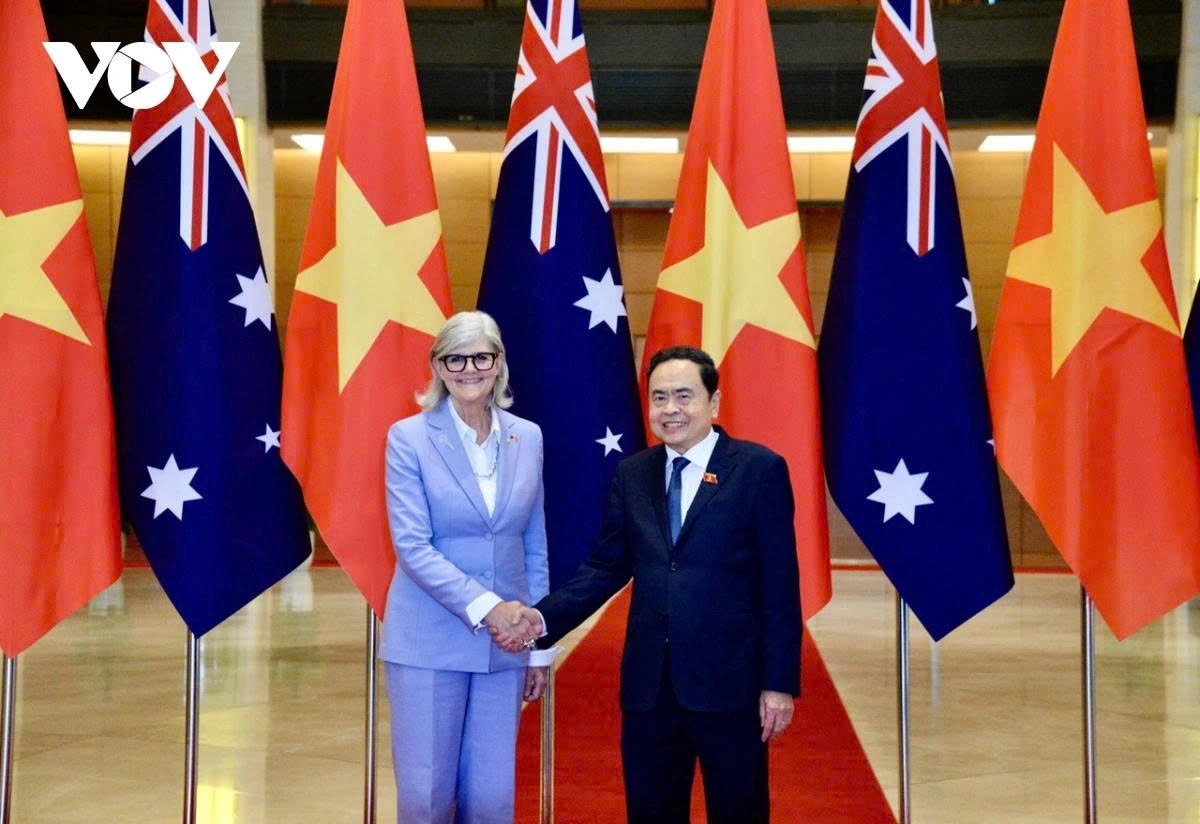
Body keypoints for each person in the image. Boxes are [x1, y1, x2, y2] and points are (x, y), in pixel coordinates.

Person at [494, 345, 801, 824]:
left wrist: (779, 685)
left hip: (731, 685)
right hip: (648, 690)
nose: (670, 409)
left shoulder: (759, 470)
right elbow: (605, 566)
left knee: (739, 810)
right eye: (659, 398)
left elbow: (781, 586)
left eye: (684, 396)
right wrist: (539, 619)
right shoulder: (633, 473)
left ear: (714, 403)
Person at [381, 310, 552, 824]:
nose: (469, 368)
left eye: (481, 356)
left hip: (506, 649)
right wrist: (490, 608)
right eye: (455, 357)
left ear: (499, 363)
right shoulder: (407, 437)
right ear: (437, 365)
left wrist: (538, 643)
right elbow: (412, 546)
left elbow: (533, 543)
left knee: (492, 801)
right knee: (426, 800)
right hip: (428, 643)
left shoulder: (529, 436)